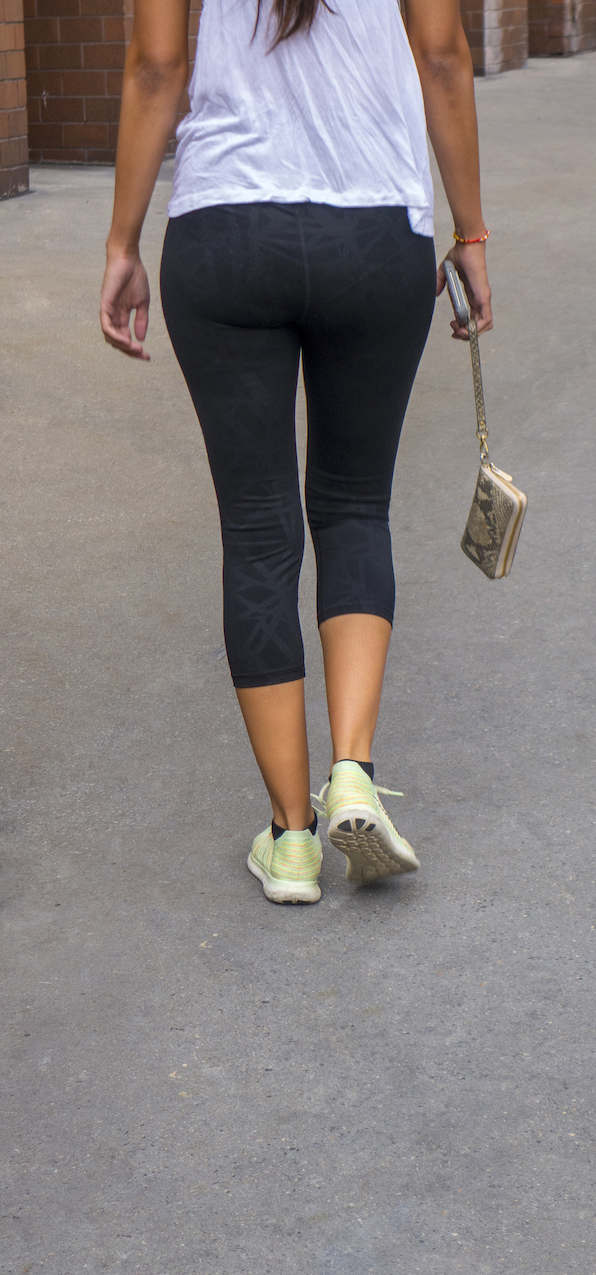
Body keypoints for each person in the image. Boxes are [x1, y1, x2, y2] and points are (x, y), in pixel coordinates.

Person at [100, 0, 492, 903]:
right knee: (354, 506)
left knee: (259, 528)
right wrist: (470, 234)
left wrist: (121, 242)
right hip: (373, 232)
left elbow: (156, 66)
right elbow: (443, 56)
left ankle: (291, 840)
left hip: (226, 232)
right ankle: (351, 769)